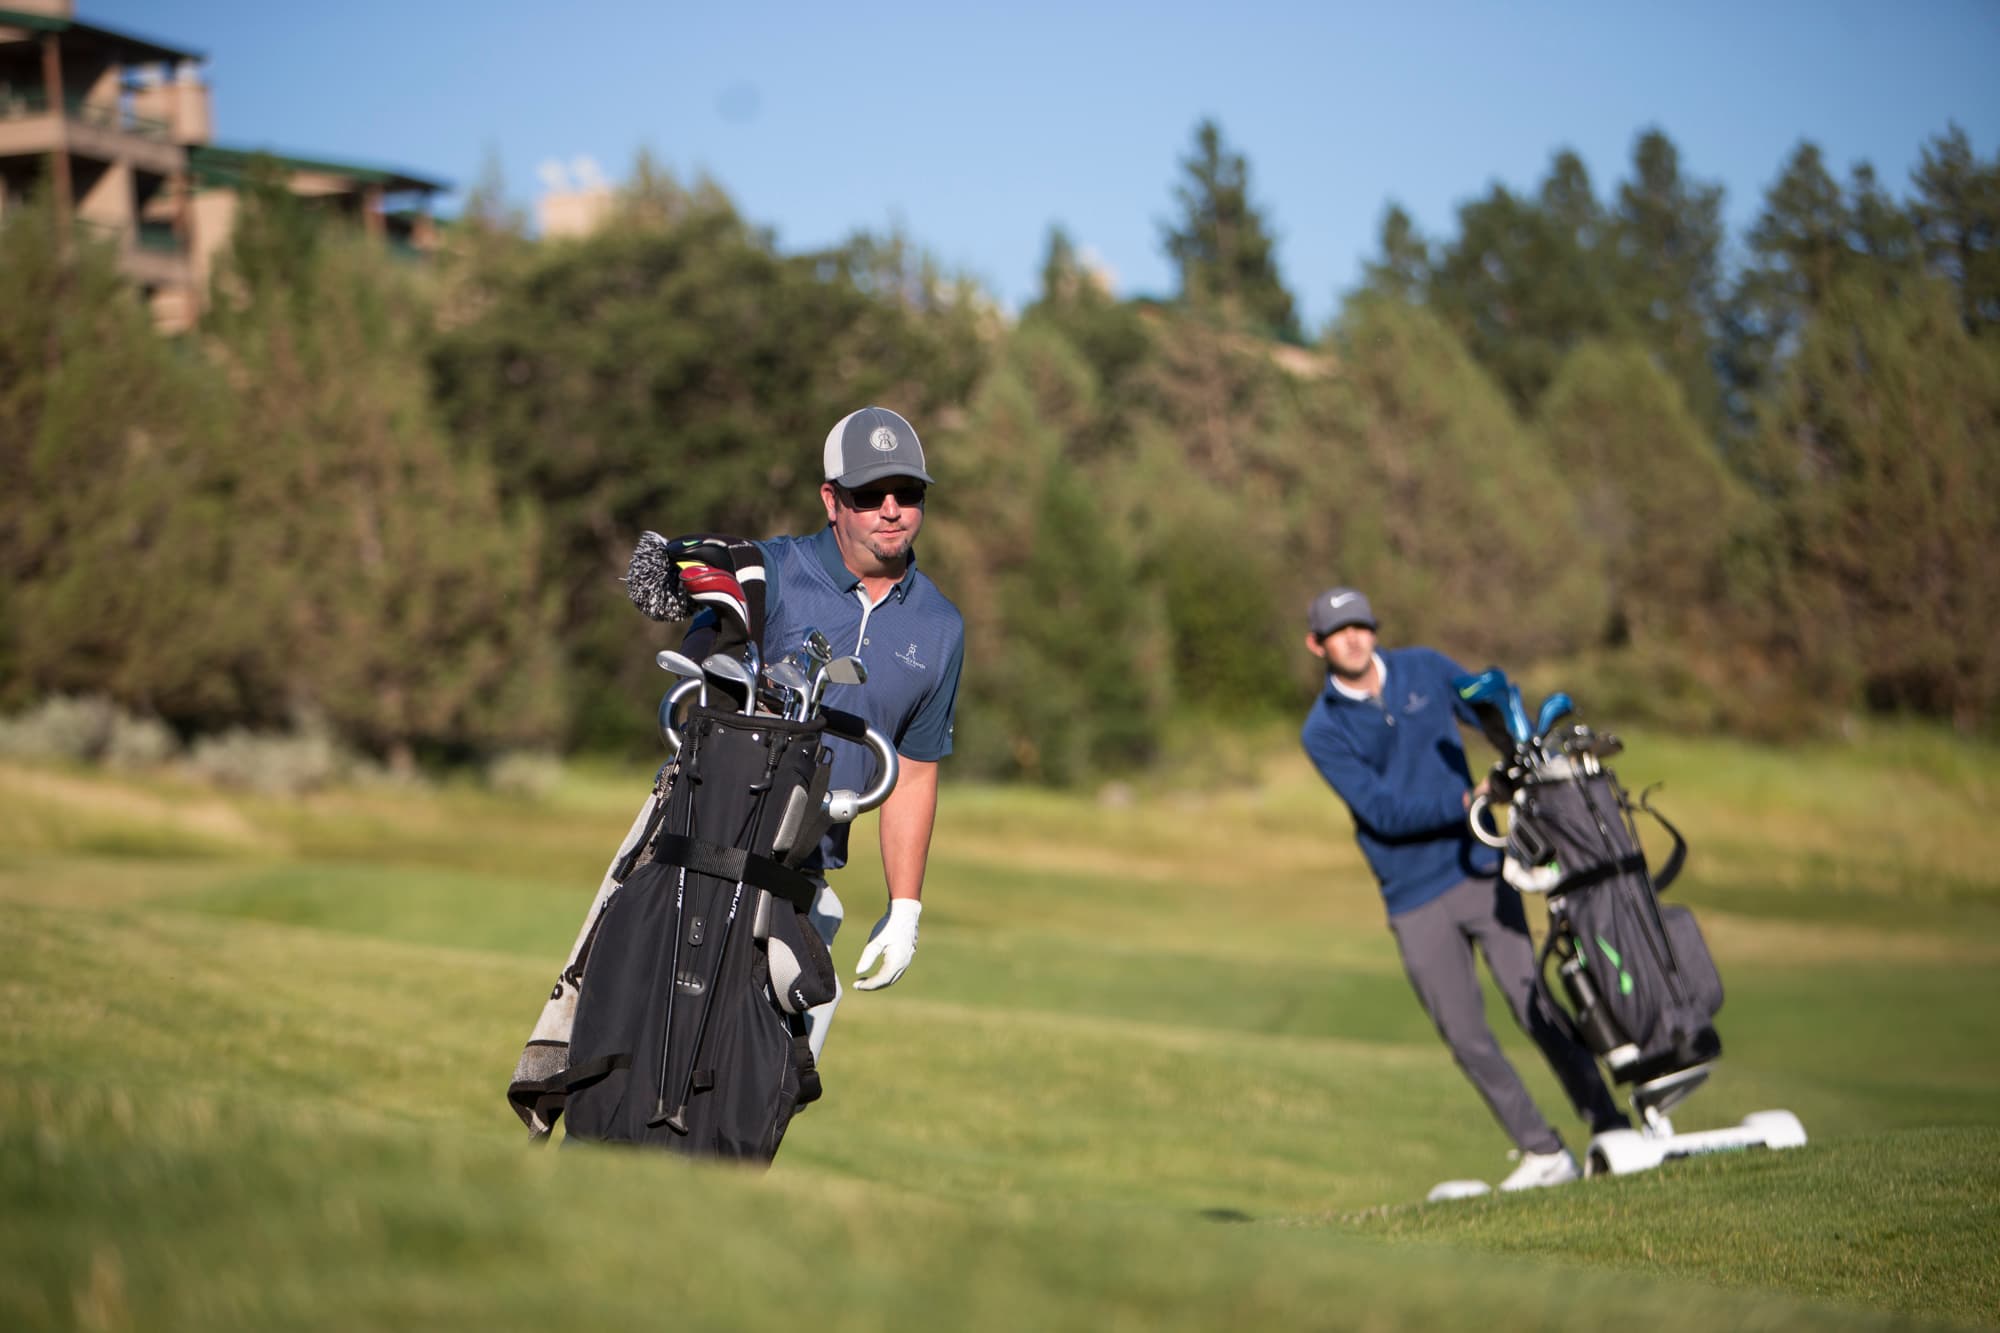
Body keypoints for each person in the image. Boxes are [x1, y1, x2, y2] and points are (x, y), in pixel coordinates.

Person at [1298, 586, 1628, 1190]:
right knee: (1465, 1034)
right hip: (1412, 896)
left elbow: (1487, 707)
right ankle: (1543, 1152)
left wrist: (1513, 747)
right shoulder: (1322, 729)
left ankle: (1609, 1123)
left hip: (1477, 869)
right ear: (1316, 644)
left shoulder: (1423, 667)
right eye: (1340, 632)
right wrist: (1471, 799)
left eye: (1363, 626)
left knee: (1535, 1005)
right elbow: (1382, 812)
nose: (1355, 639)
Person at [689, 405, 964, 1063]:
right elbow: (704, 656)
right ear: (832, 499)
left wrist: (906, 910)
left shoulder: (939, 626)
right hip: (699, 848)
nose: (892, 509)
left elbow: (914, 769)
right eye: (870, 495)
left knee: (768, 1083)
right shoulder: (773, 572)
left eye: (909, 493)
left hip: (803, 879)